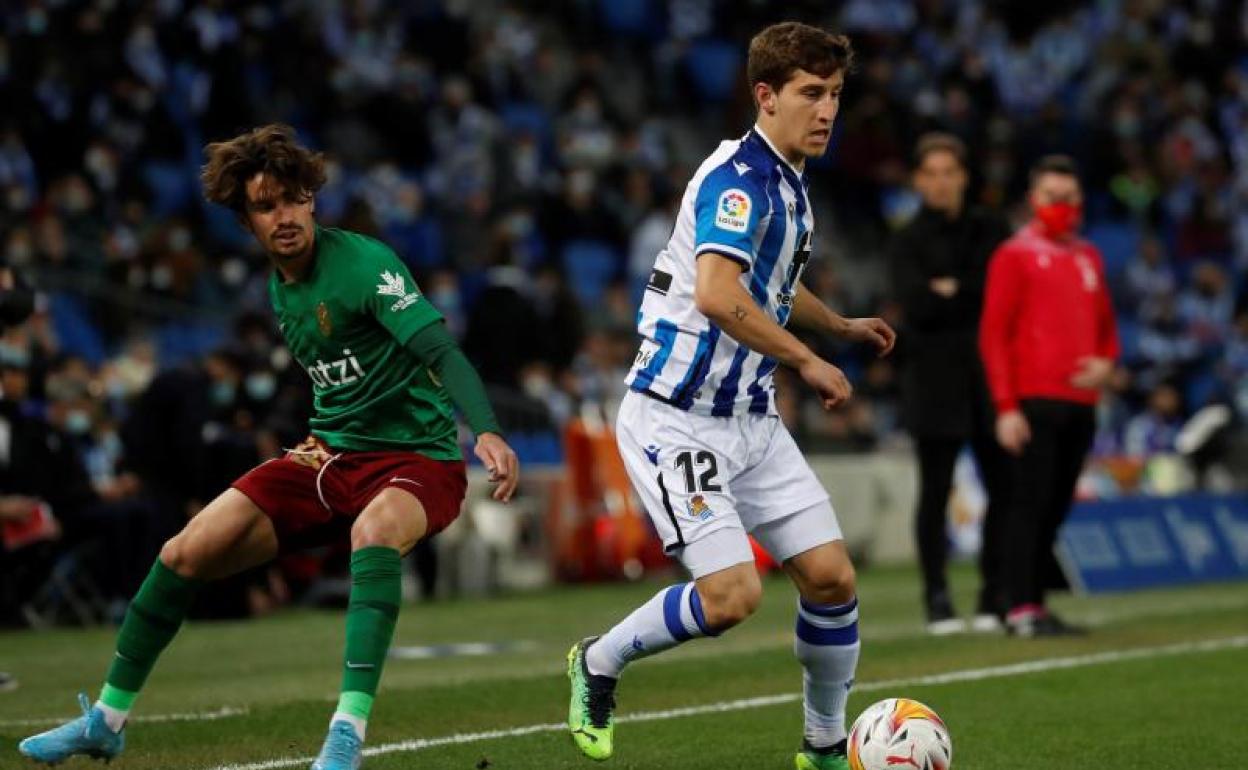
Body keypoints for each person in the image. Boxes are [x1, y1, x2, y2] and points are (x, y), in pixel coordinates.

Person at [19, 124, 519, 770]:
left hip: (416, 458)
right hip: (327, 456)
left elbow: (443, 353)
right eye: (265, 206)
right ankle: (106, 722)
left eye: (292, 199)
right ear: (246, 221)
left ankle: (346, 734)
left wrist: (487, 429)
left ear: (312, 200)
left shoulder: (365, 265)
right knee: (183, 552)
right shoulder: (281, 288)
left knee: (372, 533)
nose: (283, 217)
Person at [565, 23, 895, 770]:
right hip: (677, 419)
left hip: (749, 417)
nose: (826, 111)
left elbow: (770, 286)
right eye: (811, 93)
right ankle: (598, 661)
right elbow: (718, 294)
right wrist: (807, 360)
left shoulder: (790, 182)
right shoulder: (738, 181)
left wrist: (837, 325)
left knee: (831, 579)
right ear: (765, 96)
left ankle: (824, 746)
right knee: (731, 597)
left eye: (835, 95)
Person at [979, 155, 1118, 637]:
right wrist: (1005, 407)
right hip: (1033, 400)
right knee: (1029, 505)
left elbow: (1106, 327)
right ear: (1033, 200)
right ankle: (1019, 606)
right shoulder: (1014, 255)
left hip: (1081, 402)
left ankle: (1033, 603)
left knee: (1056, 507)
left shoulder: (1088, 256)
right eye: (1052, 197)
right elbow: (994, 334)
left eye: (1070, 197)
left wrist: (1106, 363)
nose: (1062, 205)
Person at [890, 133, 1012, 634]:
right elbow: (915, 304)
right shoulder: (906, 239)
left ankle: (993, 595)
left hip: (989, 377)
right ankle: (937, 599)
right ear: (918, 181)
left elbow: (1001, 295)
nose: (940, 183)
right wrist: (966, 293)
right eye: (931, 174)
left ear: (963, 177)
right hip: (933, 379)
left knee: (1004, 487)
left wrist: (950, 291)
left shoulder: (992, 228)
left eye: (949, 172)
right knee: (934, 492)